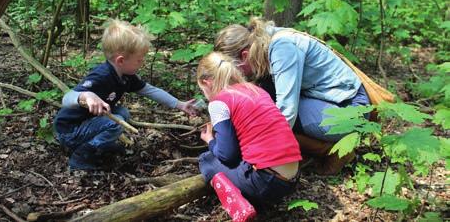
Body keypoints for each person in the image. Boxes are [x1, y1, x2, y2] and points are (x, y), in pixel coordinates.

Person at [214, 17, 371, 175]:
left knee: (271, 116)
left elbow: (286, 112)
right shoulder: (264, 42)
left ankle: (333, 152)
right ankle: (321, 147)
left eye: (235, 70)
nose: (236, 76)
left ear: (244, 55)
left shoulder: (282, 47)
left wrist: (259, 153)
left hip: (351, 110)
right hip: (327, 101)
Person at [54, 19, 196, 170]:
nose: (142, 64)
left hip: (88, 123)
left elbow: (150, 90)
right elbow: (66, 98)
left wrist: (179, 104)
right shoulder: (101, 76)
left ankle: (102, 145)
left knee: (122, 113)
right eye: (139, 60)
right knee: (117, 121)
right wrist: (86, 96)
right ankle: (83, 155)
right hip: (70, 131)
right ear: (121, 60)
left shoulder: (125, 76)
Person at [197, 52, 302, 207]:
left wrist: (210, 141)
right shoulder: (254, 90)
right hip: (293, 178)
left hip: (267, 181)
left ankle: (239, 207)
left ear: (207, 82)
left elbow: (228, 156)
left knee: (206, 159)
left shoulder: (218, 102)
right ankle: (258, 203)